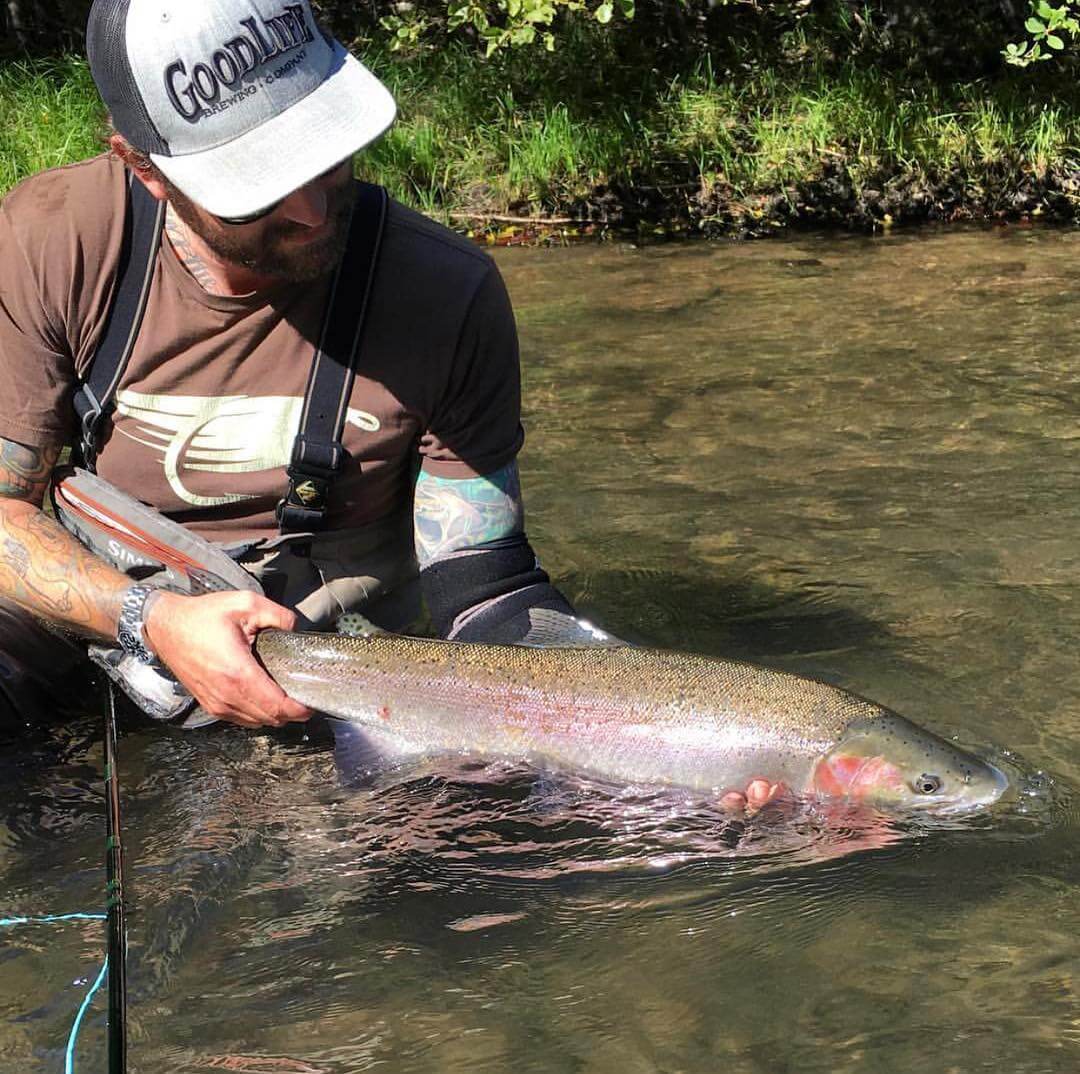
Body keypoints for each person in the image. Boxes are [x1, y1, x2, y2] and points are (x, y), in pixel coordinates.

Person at [0, 0, 779, 811]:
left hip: (341, 682)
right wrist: (149, 619)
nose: (309, 210)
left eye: (322, 155)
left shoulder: (446, 292)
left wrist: (654, 753)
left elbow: (485, 588)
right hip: (97, 627)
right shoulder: (53, 241)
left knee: (498, 883)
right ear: (144, 169)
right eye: (256, 187)